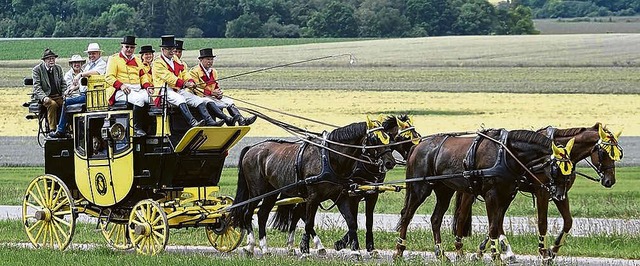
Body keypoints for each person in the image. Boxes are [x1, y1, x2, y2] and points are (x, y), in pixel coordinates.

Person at [152, 35, 219, 127]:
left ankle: (209, 121)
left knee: (198, 100)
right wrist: (184, 84)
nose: (171, 51)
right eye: (169, 49)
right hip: (165, 89)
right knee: (180, 99)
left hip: (178, 88)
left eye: (173, 49)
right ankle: (192, 122)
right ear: (162, 50)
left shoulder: (175, 59)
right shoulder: (157, 63)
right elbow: (169, 77)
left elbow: (183, 72)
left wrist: (190, 81)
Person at [50, 43, 107, 138]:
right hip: (86, 94)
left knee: (66, 102)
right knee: (65, 101)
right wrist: (72, 88)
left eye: (94, 53)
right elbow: (84, 83)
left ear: (99, 54)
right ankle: (68, 128)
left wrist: (80, 75)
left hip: (93, 97)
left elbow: (96, 73)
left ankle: (61, 130)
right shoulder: (89, 65)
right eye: (90, 54)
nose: (91, 56)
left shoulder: (101, 64)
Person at [189, 48, 256, 126]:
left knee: (229, 101)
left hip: (212, 96)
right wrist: (211, 93)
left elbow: (216, 86)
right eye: (208, 59)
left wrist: (219, 93)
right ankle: (227, 119)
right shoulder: (194, 71)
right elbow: (196, 89)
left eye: (211, 59)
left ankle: (241, 120)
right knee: (208, 101)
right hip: (200, 97)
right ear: (201, 60)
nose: (210, 62)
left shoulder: (214, 71)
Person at [105, 36, 154, 136]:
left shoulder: (137, 60)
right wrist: (121, 86)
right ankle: (136, 128)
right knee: (139, 100)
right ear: (122, 46)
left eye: (131, 47)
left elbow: (143, 75)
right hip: (121, 90)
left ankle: (151, 126)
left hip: (137, 89)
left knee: (154, 98)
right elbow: (109, 77)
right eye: (127, 47)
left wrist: (147, 86)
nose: (129, 49)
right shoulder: (114, 59)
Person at [32, 48, 67, 132]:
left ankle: (65, 128)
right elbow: (37, 87)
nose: (51, 61)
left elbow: (63, 83)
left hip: (57, 95)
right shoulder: (37, 70)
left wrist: (64, 93)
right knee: (52, 104)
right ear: (44, 60)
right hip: (46, 96)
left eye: (53, 58)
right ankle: (53, 129)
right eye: (49, 59)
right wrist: (44, 97)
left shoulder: (58, 68)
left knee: (66, 104)